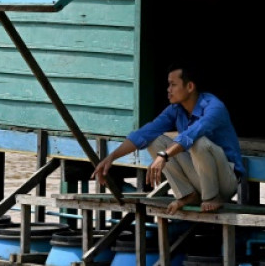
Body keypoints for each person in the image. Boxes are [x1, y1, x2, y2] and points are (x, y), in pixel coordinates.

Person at [92, 64, 244, 213]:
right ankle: (188, 194)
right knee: (154, 141)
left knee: (198, 142)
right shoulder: (176, 109)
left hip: (225, 181)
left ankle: (212, 197)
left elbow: (193, 134)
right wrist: (111, 157)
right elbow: (145, 133)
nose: (168, 90)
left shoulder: (214, 107)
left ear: (190, 87)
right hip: (200, 178)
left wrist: (164, 155)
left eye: (173, 85)